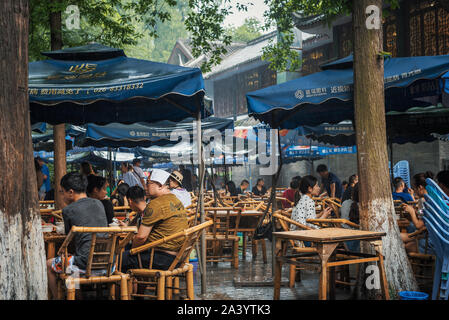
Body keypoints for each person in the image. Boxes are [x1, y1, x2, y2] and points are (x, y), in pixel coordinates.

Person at [46, 172, 108, 299]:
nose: (62, 196)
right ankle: (76, 296)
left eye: (62, 192)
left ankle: (58, 298)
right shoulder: (99, 204)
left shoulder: (68, 210)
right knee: (72, 262)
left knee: (49, 264)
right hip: (108, 263)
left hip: (84, 264)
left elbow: (70, 240)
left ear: (70, 192)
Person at [121, 169, 189, 272]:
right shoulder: (176, 200)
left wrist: (132, 251)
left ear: (160, 185)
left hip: (160, 258)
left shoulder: (155, 204)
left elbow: (141, 237)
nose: (145, 187)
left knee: (118, 260)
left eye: (148, 183)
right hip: (177, 258)